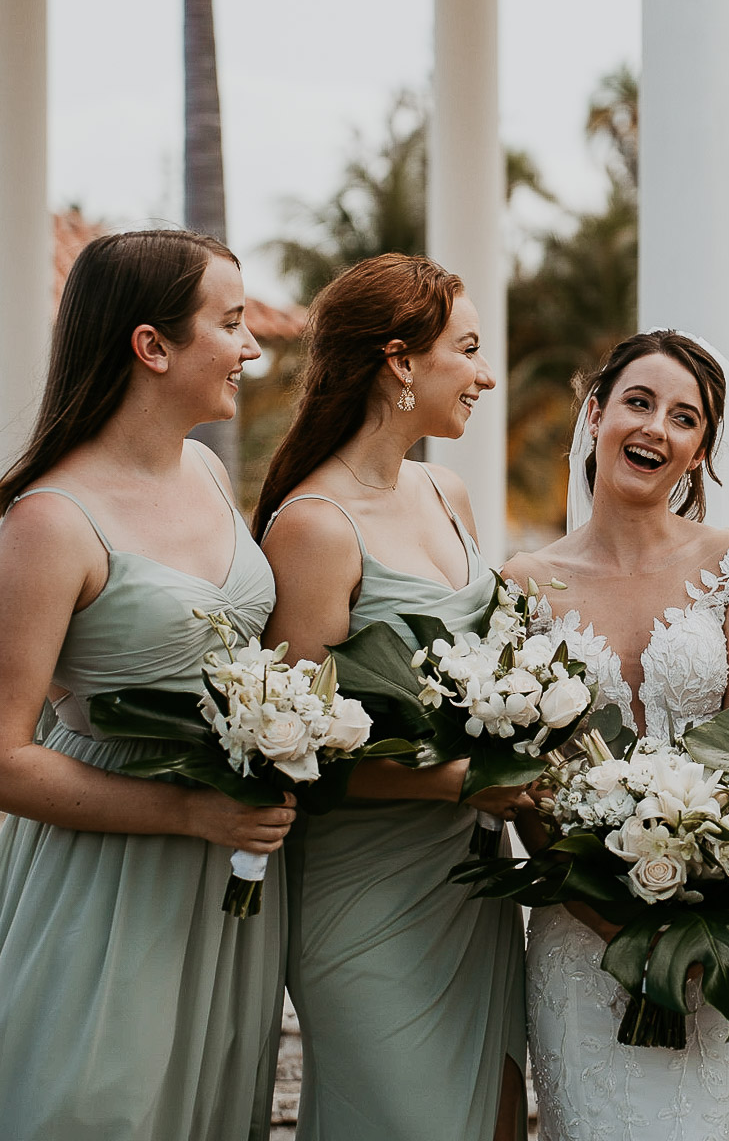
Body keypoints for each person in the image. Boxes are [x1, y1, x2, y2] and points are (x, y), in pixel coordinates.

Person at [0, 230, 294, 1140]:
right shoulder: (51, 522)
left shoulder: (206, 471)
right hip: (106, 881)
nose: (252, 348)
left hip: (225, 888)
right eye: (231, 324)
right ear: (152, 346)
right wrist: (189, 813)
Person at [505, 328, 729, 1141]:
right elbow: (522, 781)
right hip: (580, 931)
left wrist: (696, 919)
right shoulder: (523, 584)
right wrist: (615, 925)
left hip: (721, 928)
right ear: (596, 412)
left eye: (685, 418)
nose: (656, 429)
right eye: (638, 403)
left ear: (700, 449)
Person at [254, 253, 530, 1141]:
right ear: (400, 360)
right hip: (365, 892)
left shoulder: (446, 493)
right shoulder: (313, 527)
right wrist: (460, 781)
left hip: (471, 886)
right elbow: (290, 757)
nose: (487, 374)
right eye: (471, 348)